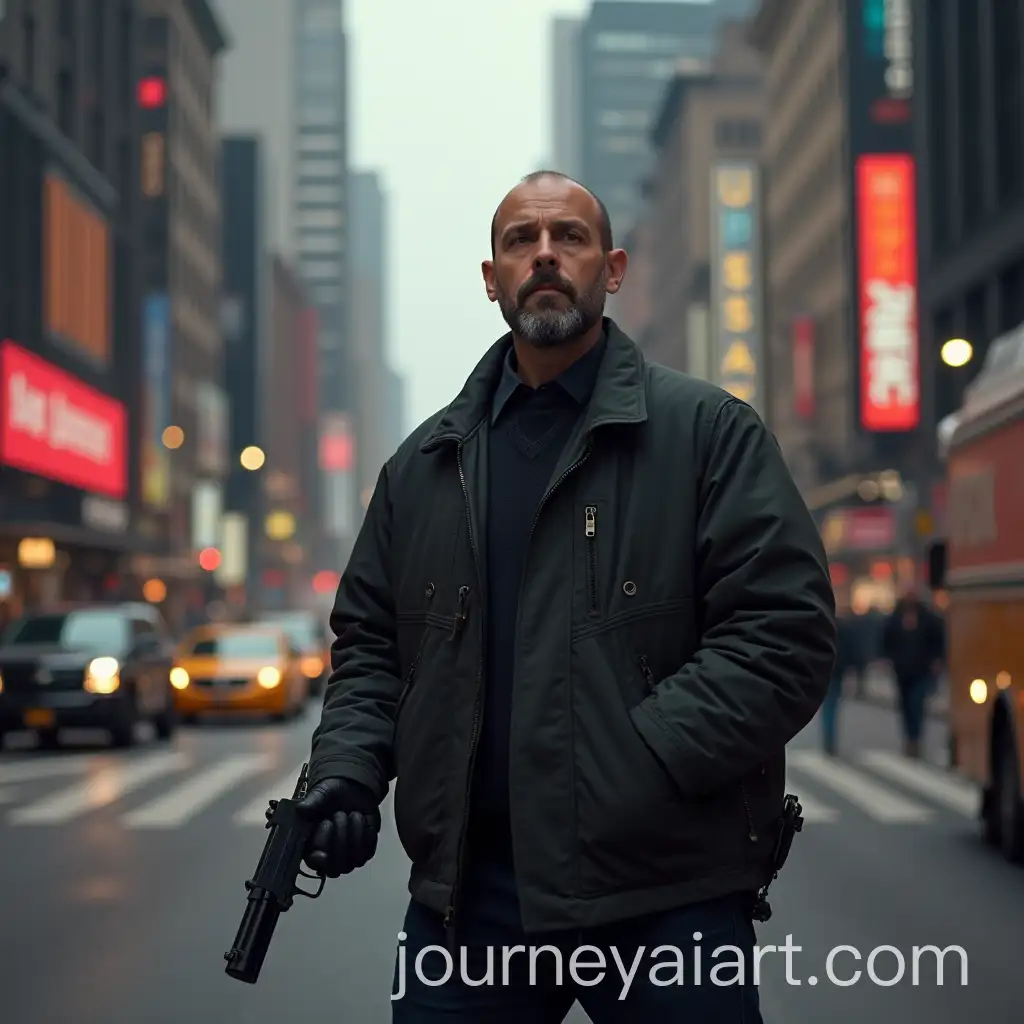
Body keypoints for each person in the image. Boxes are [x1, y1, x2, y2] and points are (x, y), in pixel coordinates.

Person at [295, 170, 837, 1022]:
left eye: (570, 238)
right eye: (521, 241)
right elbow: (370, 652)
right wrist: (346, 775)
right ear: (491, 279)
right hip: (467, 905)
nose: (545, 255)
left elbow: (785, 635)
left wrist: (636, 758)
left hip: (668, 898)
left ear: (611, 269)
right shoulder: (422, 468)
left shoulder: (708, 435)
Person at [881, 588, 945, 758]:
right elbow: (886, 640)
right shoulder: (895, 618)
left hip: (921, 670)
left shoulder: (928, 619)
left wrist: (937, 661)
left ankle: (915, 739)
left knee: (916, 704)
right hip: (902, 671)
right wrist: (888, 660)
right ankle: (909, 737)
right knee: (905, 707)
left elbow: (938, 640)